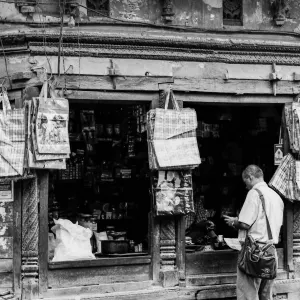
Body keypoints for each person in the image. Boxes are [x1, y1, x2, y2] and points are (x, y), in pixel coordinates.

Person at [224, 165, 284, 300]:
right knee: (265, 295)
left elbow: (245, 223)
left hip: (254, 252)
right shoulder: (276, 195)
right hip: (270, 252)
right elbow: (263, 220)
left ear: (250, 177)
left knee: (248, 294)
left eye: (245, 182)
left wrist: (234, 222)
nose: (245, 186)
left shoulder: (254, 193)